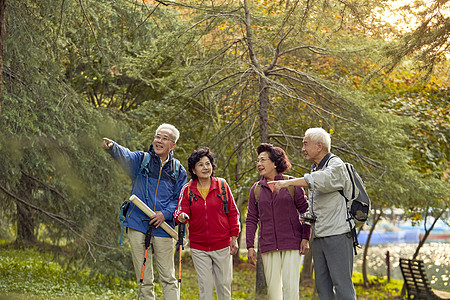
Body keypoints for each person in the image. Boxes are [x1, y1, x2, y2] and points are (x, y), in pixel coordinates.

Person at [102, 123, 187, 300]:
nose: (159, 141)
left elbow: (179, 199)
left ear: (173, 145)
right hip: (137, 224)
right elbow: (125, 155)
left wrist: (165, 214)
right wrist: (112, 147)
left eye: (165, 138)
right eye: (157, 136)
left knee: (168, 278)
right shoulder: (142, 160)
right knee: (143, 278)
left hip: (164, 227)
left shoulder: (178, 170)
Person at [271, 128, 357, 300]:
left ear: (319, 146)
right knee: (323, 287)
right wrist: (309, 215)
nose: (302, 149)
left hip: (337, 234)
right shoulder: (316, 167)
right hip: (319, 236)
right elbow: (320, 200)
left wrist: (288, 183)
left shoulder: (336, 165)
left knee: (342, 285)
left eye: (305, 144)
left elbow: (319, 181)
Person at [246, 143, 311, 300]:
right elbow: (251, 219)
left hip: (291, 243)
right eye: (257, 160)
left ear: (275, 162)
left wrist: (305, 237)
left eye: (263, 160)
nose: (259, 164)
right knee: (274, 293)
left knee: (291, 290)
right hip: (268, 244)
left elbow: (306, 212)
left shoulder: (292, 184)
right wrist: (250, 246)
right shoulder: (256, 189)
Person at [174, 148, 240, 300]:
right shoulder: (188, 189)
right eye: (200, 164)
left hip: (222, 245)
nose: (205, 167)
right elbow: (179, 212)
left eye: (208, 164)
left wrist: (234, 237)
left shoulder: (222, 186)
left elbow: (233, 212)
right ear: (193, 169)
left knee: (224, 284)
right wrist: (182, 216)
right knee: (206, 285)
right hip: (199, 247)